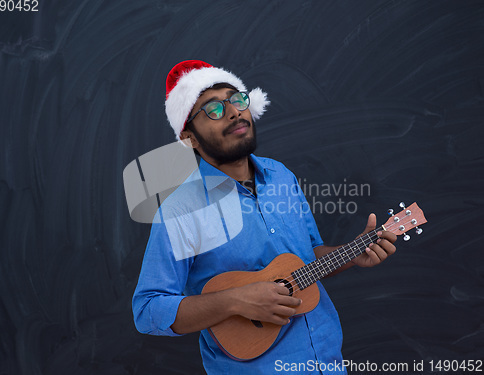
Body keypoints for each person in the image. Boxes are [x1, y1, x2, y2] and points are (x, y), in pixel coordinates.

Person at [132, 60, 397, 374]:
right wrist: (235, 300)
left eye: (237, 99)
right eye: (213, 110)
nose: (233, 112)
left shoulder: (281, 175)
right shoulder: (180, 211)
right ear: (189, 137)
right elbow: (147, 309)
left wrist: (352, 254)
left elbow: (307, 258)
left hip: (328, 361)